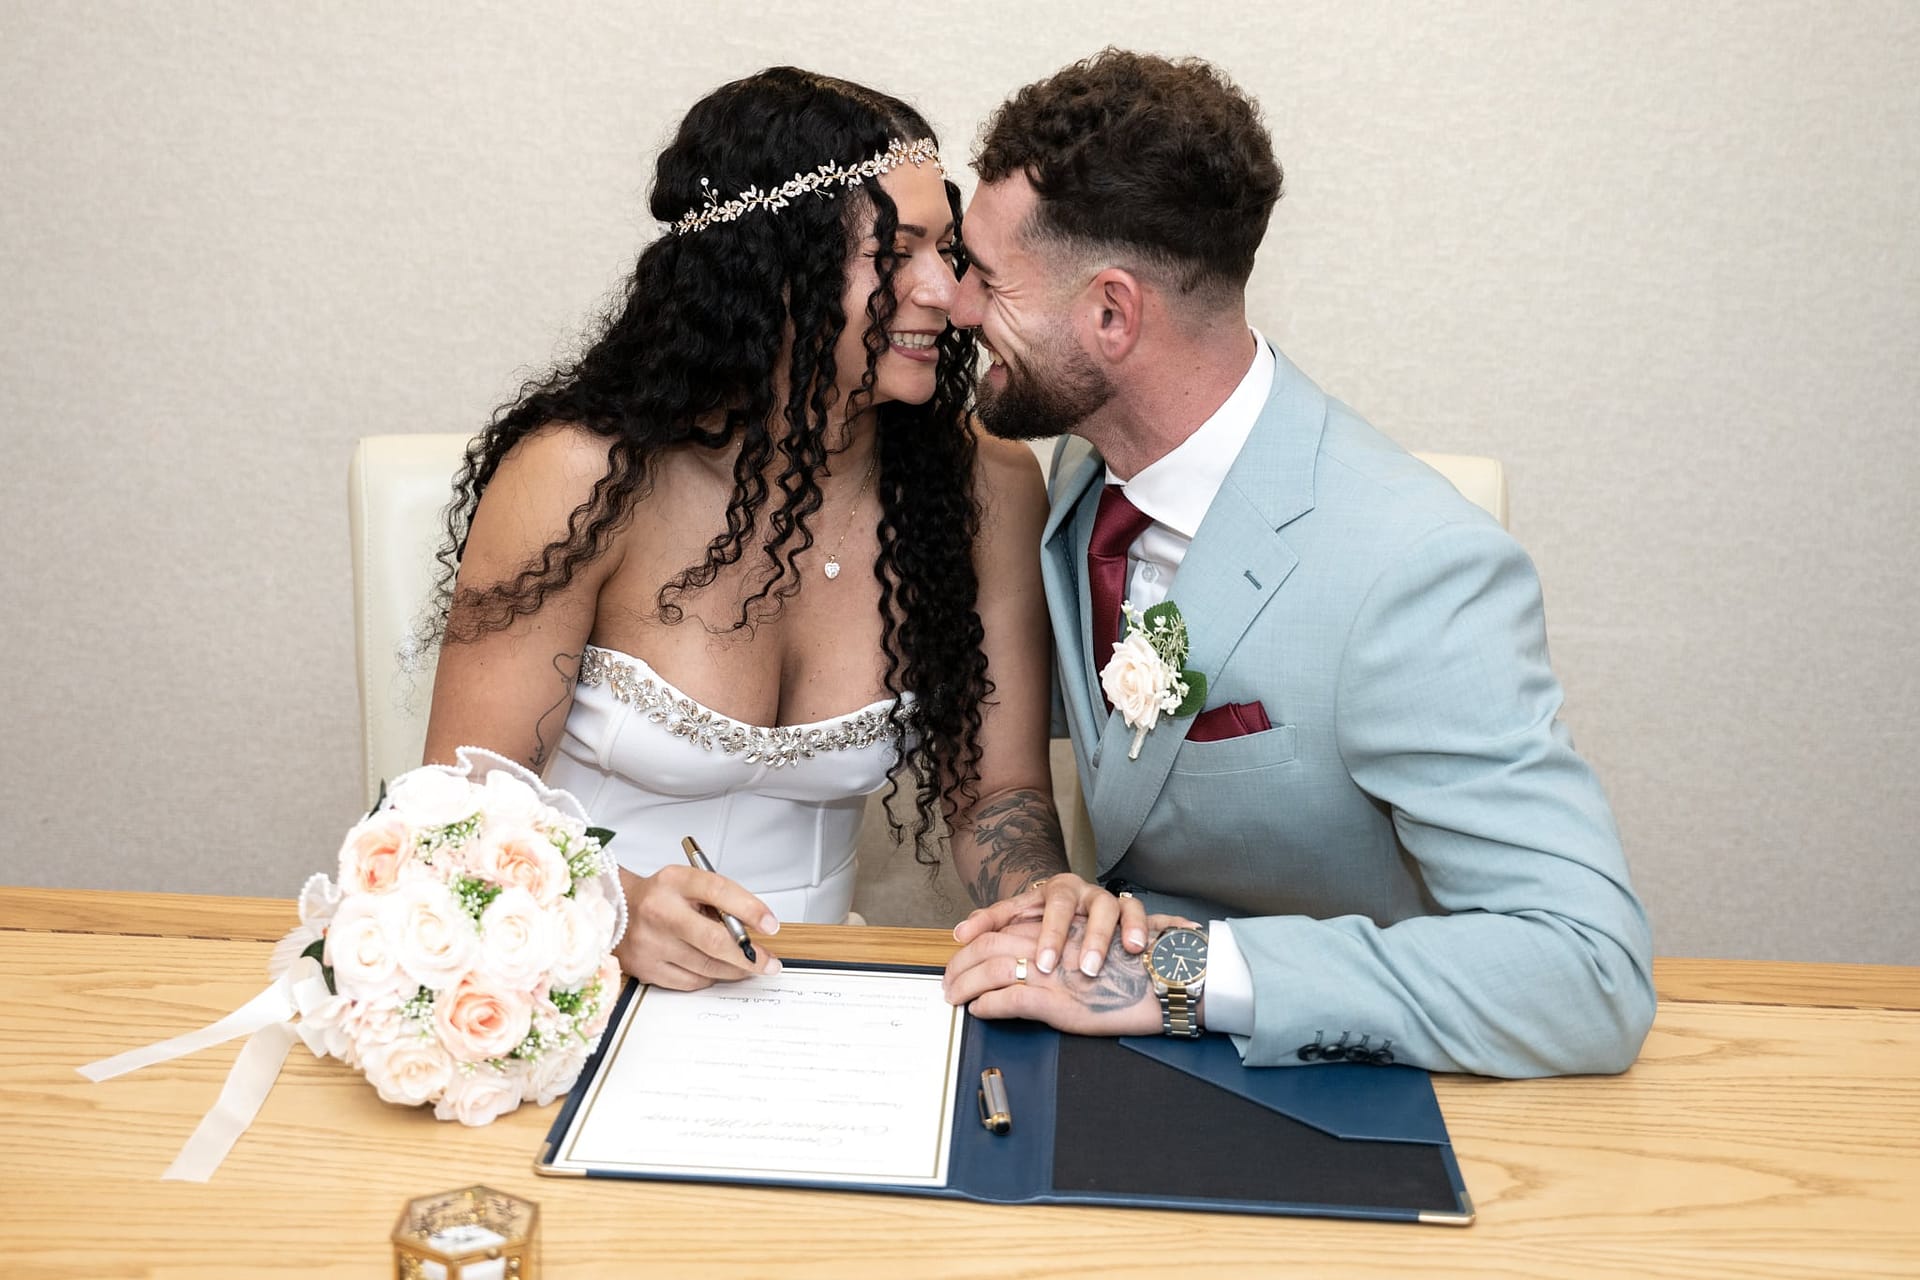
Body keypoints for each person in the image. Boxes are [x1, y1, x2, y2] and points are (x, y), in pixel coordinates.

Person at [941, 50, 1656, 1077]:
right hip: (1098, 1071)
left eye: (989, 280)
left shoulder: (1416, 568)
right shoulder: (1075, 473)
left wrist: (1183, 973)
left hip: (1346, 1099)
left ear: (1112, 313)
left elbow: (1589, 973)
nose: (959, 306)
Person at [421, 68, 1063, 991]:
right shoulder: (582, 476)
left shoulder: (986, 488)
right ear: (771, 271)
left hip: (818, 993)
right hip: (569, 974)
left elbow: (998, 797)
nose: (948, 292)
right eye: (897, 253)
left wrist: (1042, 907)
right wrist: (608, 904)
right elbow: (458, 806)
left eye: (948, 249)